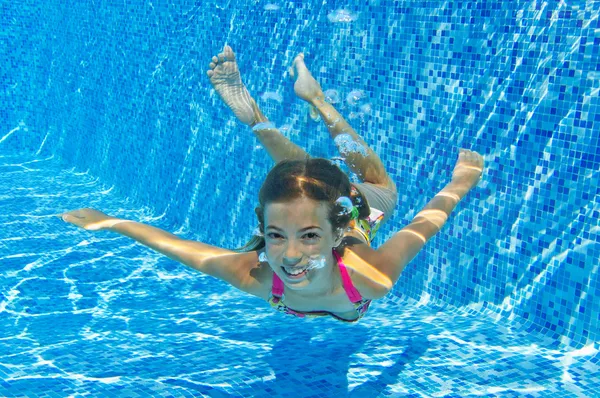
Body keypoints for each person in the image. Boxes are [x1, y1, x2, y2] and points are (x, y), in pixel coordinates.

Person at [61, 45, 484, 323]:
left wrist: (460, 182)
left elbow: (425, 226)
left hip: (352, 208)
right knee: (325, 182)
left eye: (310, 236)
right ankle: (288, 110)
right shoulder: (272, 277)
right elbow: (181, 249)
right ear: (263, 231)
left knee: (371, 187)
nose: (290, 255)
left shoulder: (367, 274)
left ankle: (295, 109)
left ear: (337, 233)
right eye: (276, 236)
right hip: (334, 208)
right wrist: (110, 223)